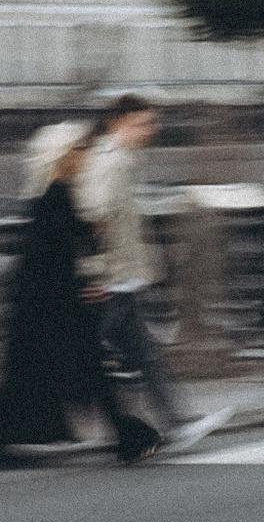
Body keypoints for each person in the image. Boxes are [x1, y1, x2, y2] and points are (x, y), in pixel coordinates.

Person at [2, 114, 162, 464]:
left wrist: (90, 273)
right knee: (83, 370)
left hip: (51, 304)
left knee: (46, 375)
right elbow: (52, 260)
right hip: (52, 305)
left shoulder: (58, 195)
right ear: (62, 156)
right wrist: (85, 285)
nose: (86, 154)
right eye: (80, 148)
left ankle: (126, 437)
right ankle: (129, 437)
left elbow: (67, 250)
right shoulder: (55, 198)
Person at [73, 95, 225, 451]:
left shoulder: (116, 159)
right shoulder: (110, 162)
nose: (152, 131)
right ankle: (165, 425)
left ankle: (175, 423)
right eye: (144, 123)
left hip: (118, 279)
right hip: (109, 282)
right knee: (75, 360)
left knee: (141, 354)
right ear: (119, 122)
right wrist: (95, 275)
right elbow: (92, 217)